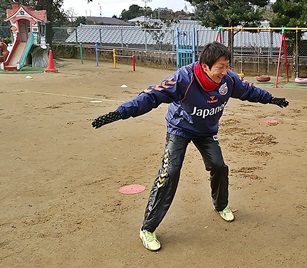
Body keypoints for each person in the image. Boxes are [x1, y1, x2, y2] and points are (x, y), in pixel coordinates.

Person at [91, 42, 289, 251]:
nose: (225, 71)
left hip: (206, 131)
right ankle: (147, 228)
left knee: (219, 166)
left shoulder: (228, 80)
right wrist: (120, 112)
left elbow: (249, 90)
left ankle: (221, 205)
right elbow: (151, 96)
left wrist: (272, 99)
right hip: (180, 128)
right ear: (205, 66)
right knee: (170, 172)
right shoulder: (183, 79)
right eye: (220, 67)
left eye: (227, 65)